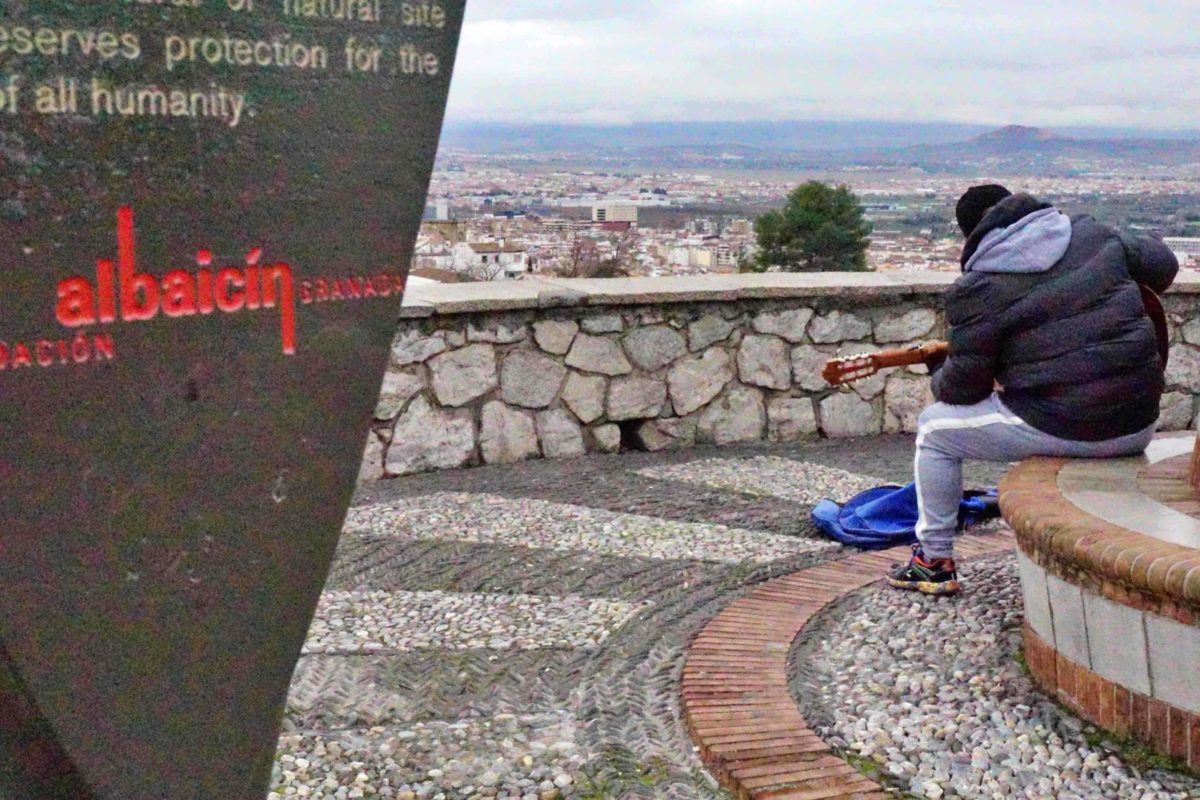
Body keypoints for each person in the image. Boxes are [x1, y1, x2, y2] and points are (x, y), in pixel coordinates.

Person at [887, 184, 1179, 596]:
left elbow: (961, 391)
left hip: (1071, 428)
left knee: (935, 431)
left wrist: (940, 367)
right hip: (1138, 423)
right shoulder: (1093, 235)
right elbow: (1164, 265)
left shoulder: (979, 289)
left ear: (971, 236)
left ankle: (933, 561)